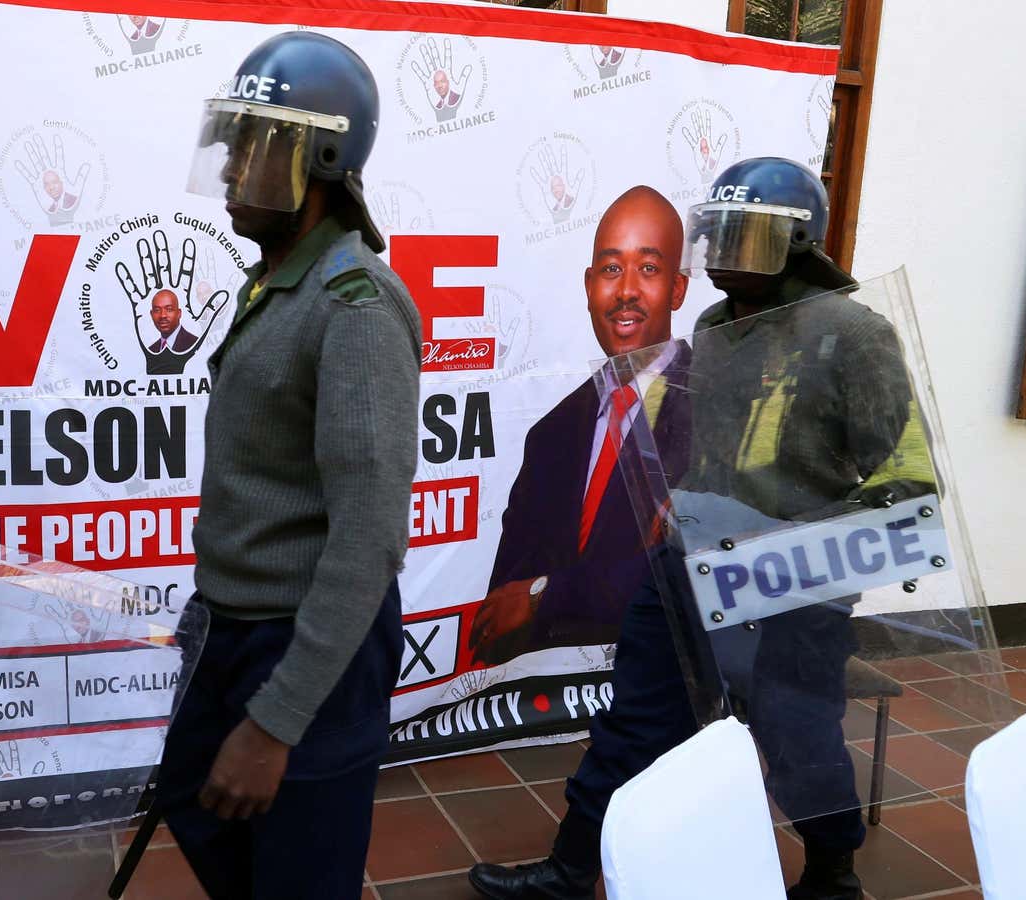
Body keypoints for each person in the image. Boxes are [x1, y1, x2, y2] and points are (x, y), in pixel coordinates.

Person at [470, 159, 913, 900]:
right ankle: (573, 863)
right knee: (632, 718)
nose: (729, 252)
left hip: (788, 580)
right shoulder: (714, 326)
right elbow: (705, 445)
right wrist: (681, 502)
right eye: (723, 233)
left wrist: (814, 553)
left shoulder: (854, 336)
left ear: (797, 243)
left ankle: (833, 871)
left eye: (751, 236)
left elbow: (902, 485)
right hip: (688, 565)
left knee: (798, 734)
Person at [159, 30, 422, 899]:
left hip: (307, 641)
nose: (233, 171)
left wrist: (276, 723)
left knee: (298, 874)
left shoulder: (354, 307)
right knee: (200, 806)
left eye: (255, 149)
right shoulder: (279, 281)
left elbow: (369, 537)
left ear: (322, 158)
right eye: (232, 148)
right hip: (236, 628)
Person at [468, 186, 691, 665]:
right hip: (554, 711)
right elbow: (502, 609)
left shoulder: (714, 410)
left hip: (668, 696)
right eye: (611, 269)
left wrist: (545, 595)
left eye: (648, 268)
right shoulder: (551, 434)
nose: (626, 289)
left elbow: (690, 574)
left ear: (678, 287)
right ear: (590, 285)